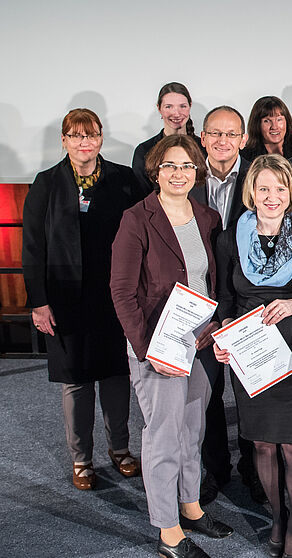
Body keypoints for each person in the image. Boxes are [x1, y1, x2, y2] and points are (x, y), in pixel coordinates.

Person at [110, 134, 232, 558]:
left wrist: (216, 326)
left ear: (197, 171)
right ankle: (168, 532)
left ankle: (190, 506)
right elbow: (122, 292)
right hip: (157, 344)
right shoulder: (136, 219)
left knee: (193, 429)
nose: (178, 173)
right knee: (163, 436)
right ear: (156, 171)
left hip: (200, 341)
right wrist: (148, 350)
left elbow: (211, 280)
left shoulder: (207, 217)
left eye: (186, 166)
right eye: (169, 166)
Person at [21, 108, 142, 491]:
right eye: (75, 135)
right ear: (64, 140)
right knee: (76, 381)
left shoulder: (123, 180)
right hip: (64, 301)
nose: (83, 142)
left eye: (90, 135)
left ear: (101, 138)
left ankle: (120, 449)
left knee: (116, 375)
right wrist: (38, 301)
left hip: (113, 297)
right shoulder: (46, 184)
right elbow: (32, 247)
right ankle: (81, 459)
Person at [213, 154, 292, 558]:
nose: (272, 196)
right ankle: (276, 515)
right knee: (261, 444)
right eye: (264, 189)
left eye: (280, 188)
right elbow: (225, 298)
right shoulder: (229, 238)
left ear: (291, 192)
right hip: (249, 353)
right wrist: (224, 336)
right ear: (251, 193)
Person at [195, 105, 257, 505]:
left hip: (246, 299)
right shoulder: (184, 175)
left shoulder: (259, 175)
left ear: (243, 139)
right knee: (208, 393)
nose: (223, 141)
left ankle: (254, 469)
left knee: (251, 390)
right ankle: (215, 468)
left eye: (231, 133)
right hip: (197, 298)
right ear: (202, 138)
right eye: (215, 133)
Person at [132, 82, 199, 195]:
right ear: (159, 108)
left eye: (182, 106)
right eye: (168, 107)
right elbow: (140, 194)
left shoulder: (204, 147)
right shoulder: (144, 150)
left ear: (190, 106)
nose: (176, 113)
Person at [241, 95, 292, 162]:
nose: (274, 127)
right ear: (257, 124)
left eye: (279, 120)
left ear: (287, 122)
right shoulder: (244, 157)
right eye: (267, 121)